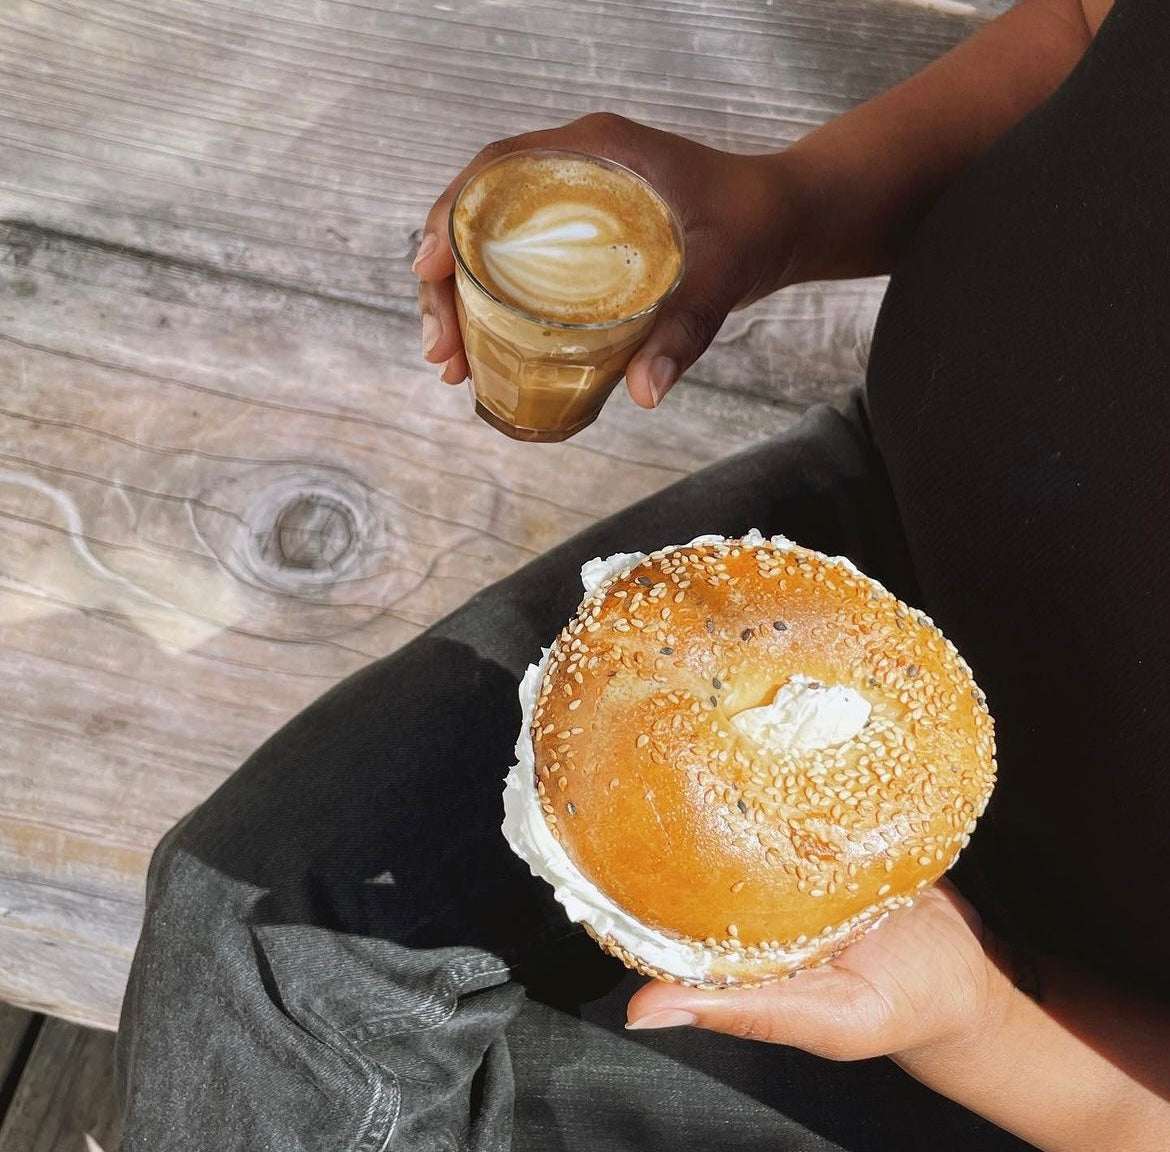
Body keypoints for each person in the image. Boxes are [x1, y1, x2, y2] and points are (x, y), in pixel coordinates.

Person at [117, 0, 1170, 1148]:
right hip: (860, 553)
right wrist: (784, 204)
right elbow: (1086, 28)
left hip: (1053, 997)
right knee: (251, 941)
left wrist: (982, 1015)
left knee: (489, 1096)